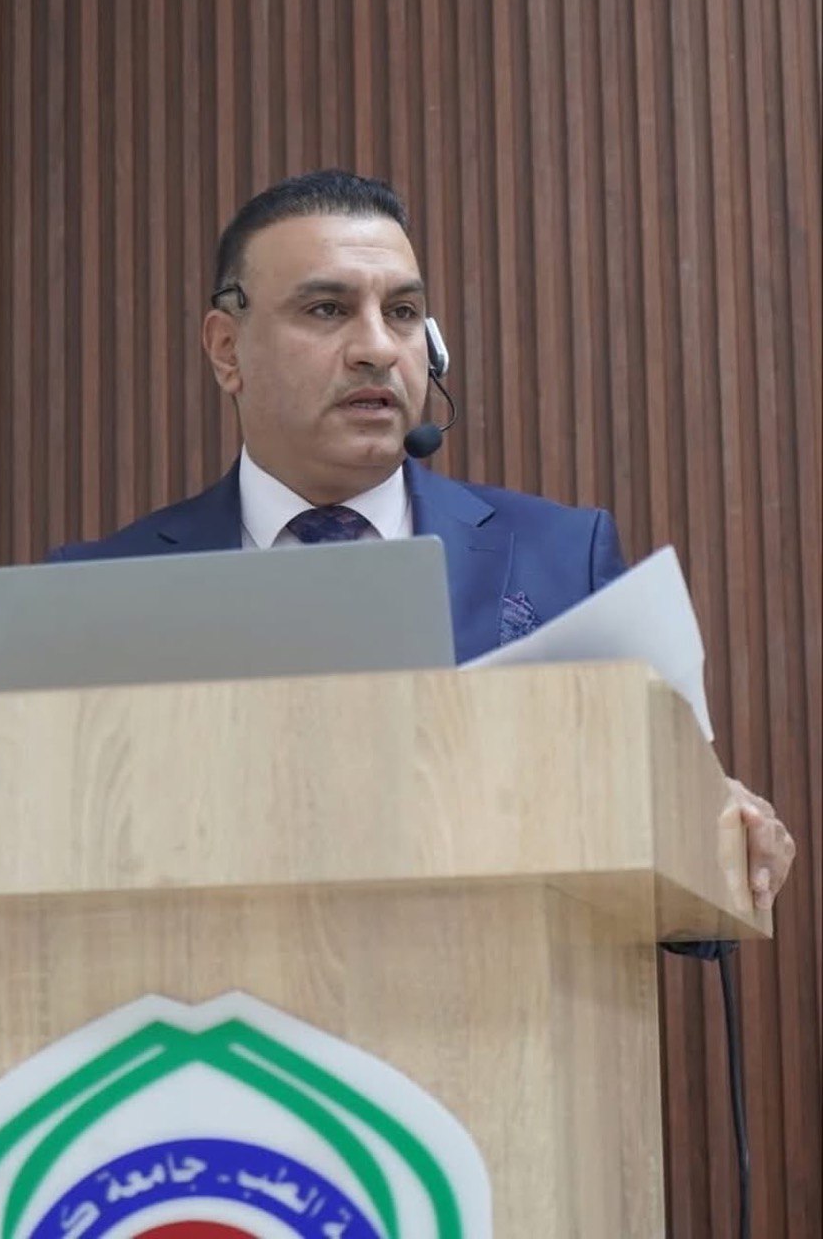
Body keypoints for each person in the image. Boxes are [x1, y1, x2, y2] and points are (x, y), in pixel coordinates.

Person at [50, 169, 795, 911]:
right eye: (327, 309)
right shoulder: (97, 592)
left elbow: (687, 898)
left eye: (403, 312)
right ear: (227, 350)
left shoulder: (563, 558)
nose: (377, 348)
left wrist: (725, 841)